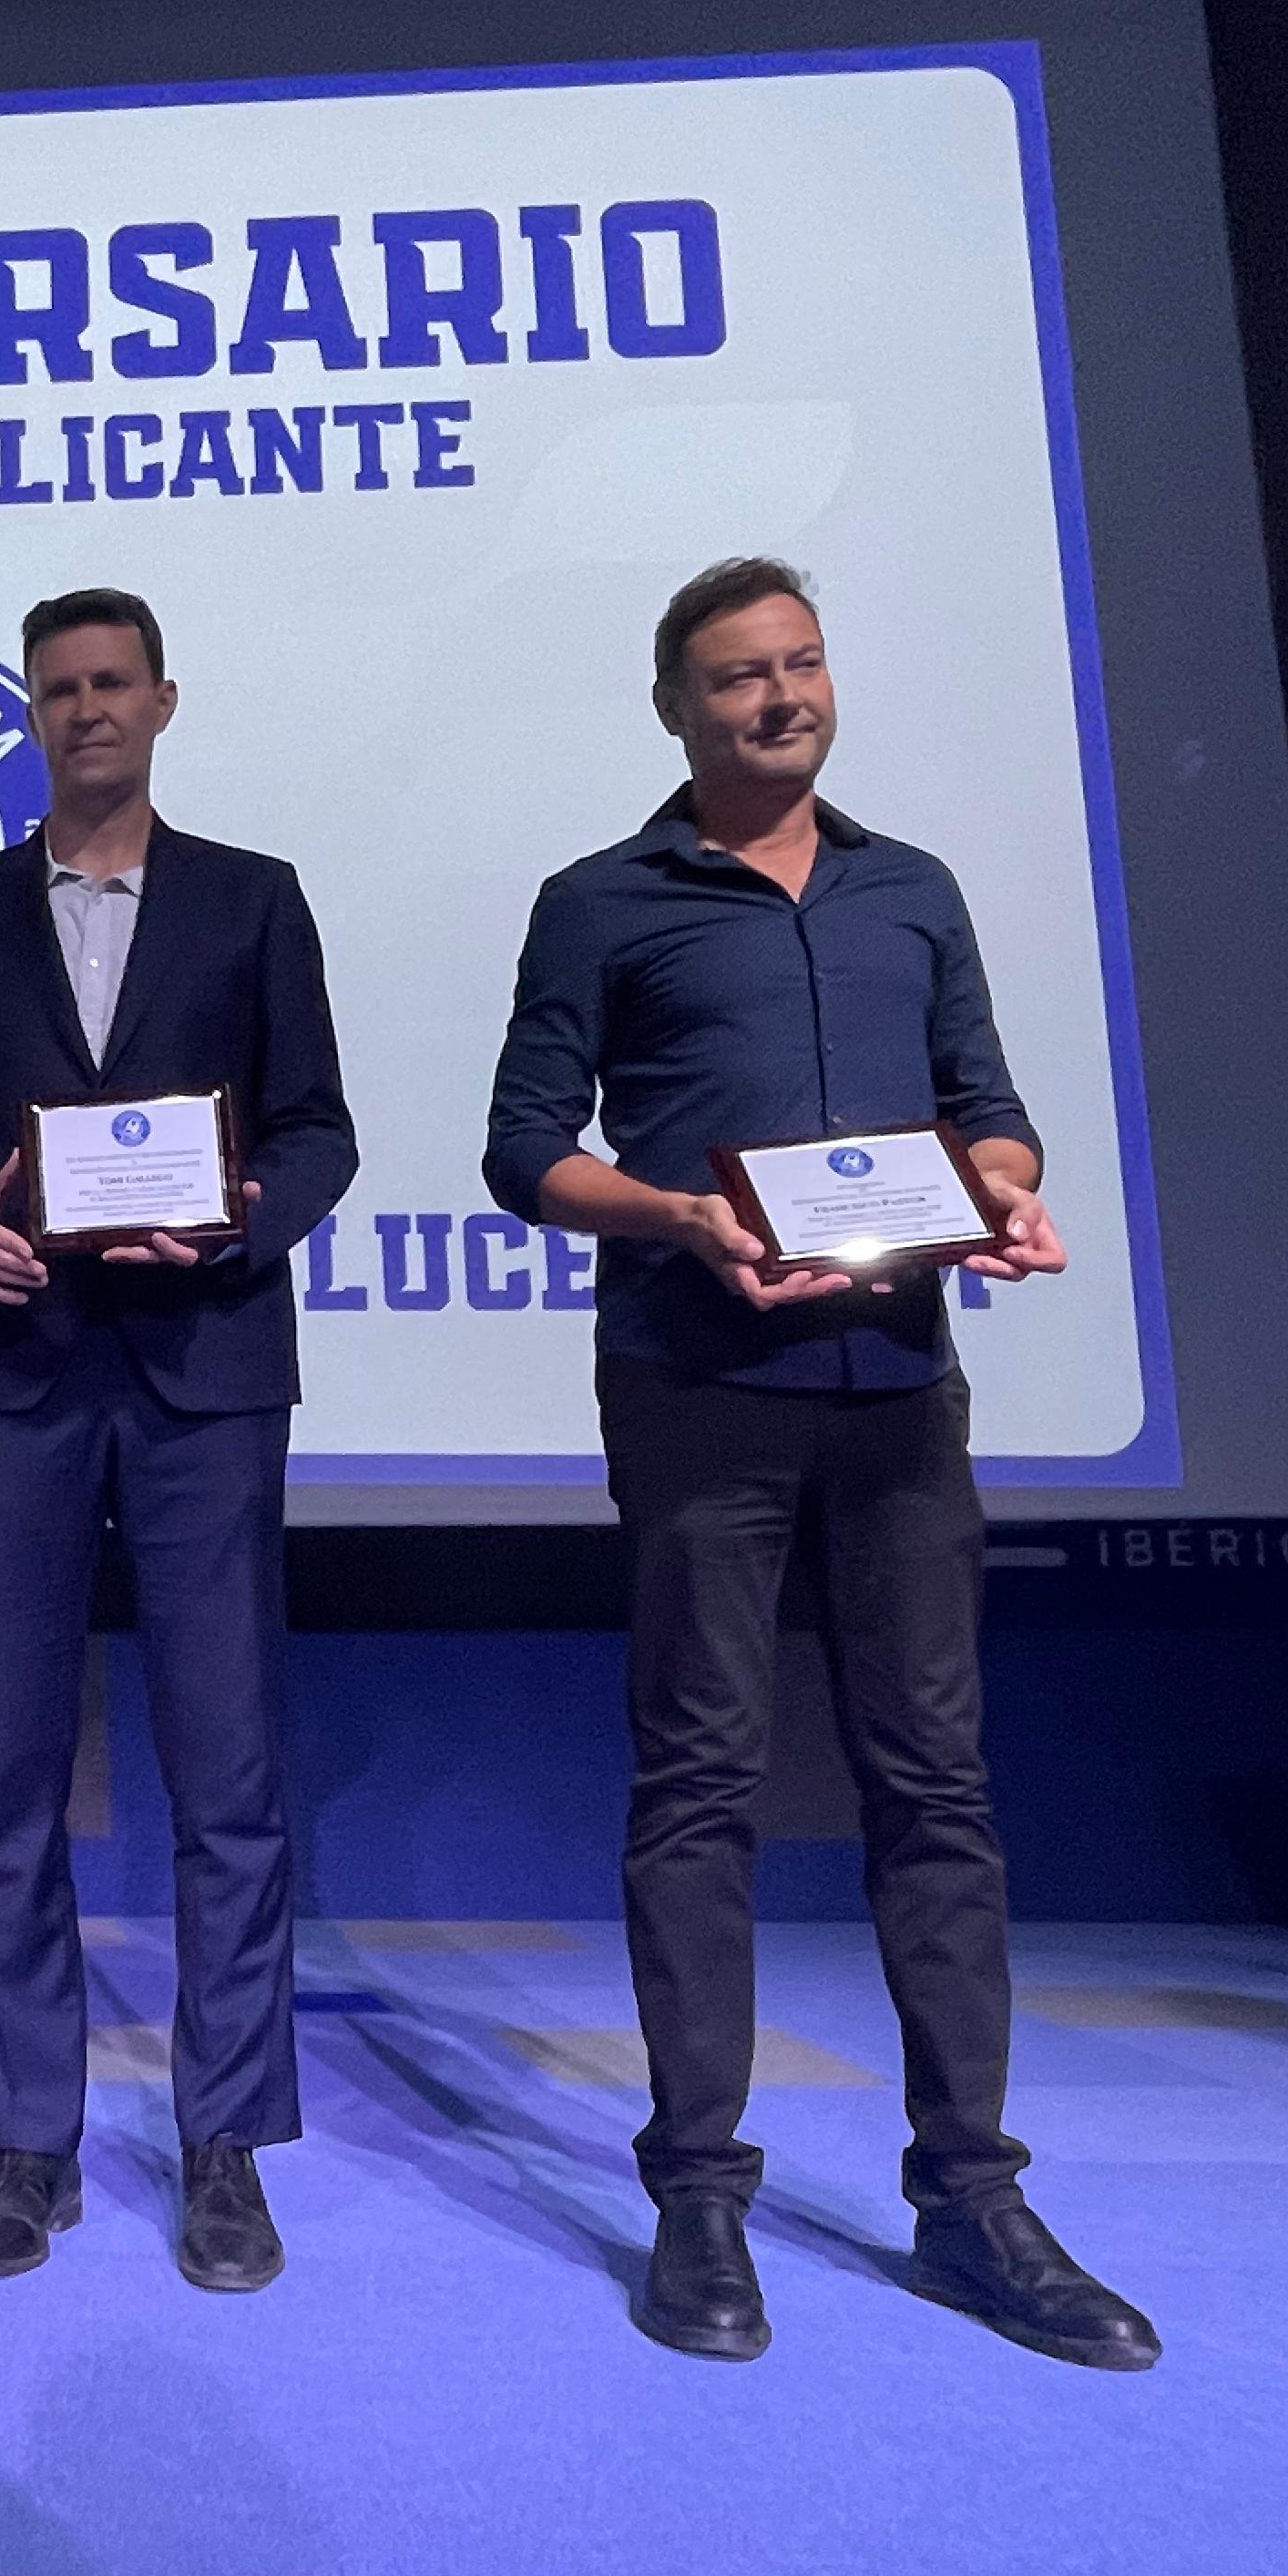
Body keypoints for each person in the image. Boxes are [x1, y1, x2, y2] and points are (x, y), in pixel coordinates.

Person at [482, 556, 1159, 2370]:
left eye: (801, 663)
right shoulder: (598, 902)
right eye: (738, 676)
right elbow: (524, 1150)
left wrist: (1003, 1193)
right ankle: (699, 2195)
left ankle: (972, 2198)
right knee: (699, 1785)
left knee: (936, 1785)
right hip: (697, 1385)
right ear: (676, 709)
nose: (781, 696)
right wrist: (682, 1218)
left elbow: (988, 1107)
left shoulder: (911, 888)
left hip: (899, 1388)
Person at [0, 588, 359, 2292]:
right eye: (58, 689)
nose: (86, 710)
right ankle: (29, 2145)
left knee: (230, 1775)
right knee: (5, 1773)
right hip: (14, 1376)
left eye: (112, 684)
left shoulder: (253, 898)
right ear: (31, 712)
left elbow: (319, 1132)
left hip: (207, 1372)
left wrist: (233, 1219)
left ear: (161, 701)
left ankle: (225, 2146)